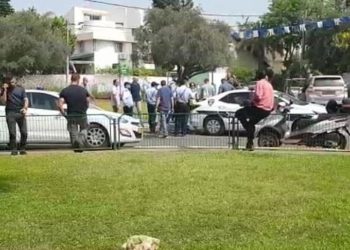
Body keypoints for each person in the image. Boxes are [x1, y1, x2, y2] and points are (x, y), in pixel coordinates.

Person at [235, 69, 275, 151]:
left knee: (239, 113)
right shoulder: (269, 85)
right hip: (267, 109)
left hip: (260, 108)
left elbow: (258, 96)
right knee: (251, 123)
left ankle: (249, 133)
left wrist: (252, 101)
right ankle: (249, 143)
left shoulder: (259, 83)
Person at [59, 73, 90, 152]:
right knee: (84, 128)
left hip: (71, 115)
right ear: (78, 79)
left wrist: (64, 114)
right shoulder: (83, 90)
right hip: (82, 115)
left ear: (71, 79)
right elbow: (88, 102)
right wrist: (85, 109)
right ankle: (80, 140)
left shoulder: (65, 91)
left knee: (73, 132)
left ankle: (76, 147)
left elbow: (60, 104)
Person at [0, 74, 28, 155]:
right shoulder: (4, 90)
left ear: (15, 81)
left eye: (13, 81)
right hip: (10, 112)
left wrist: (25, 108)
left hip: (20, 111)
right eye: (10, 81)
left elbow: (26, 99)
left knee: (24, 132)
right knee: (12, 133)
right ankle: (14, 149)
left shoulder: (21, 89)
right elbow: (3, 101)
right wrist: (4, 90)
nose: (12, 83)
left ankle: (22, 148)